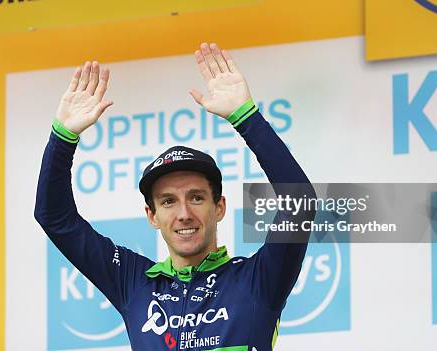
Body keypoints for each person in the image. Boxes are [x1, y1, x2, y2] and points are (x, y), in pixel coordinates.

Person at [35, 43, 314, 351]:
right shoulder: (134, 283)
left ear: (219, 207)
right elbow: (54, 217)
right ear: (152, 216)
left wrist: (246, 118)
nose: (183, 213)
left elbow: (299, 202)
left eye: (196, 197)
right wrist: (63, 138)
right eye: (168, 201)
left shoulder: (258, 281)